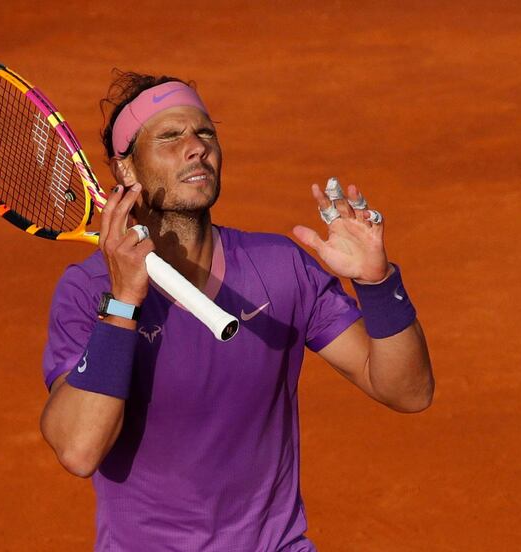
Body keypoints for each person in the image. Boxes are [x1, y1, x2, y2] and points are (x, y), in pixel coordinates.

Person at [39, 72, 434, 551]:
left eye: (205, 132)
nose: (195, 147)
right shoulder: (88, 290)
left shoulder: (280, 267)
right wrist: (123, 304)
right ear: (127, 170)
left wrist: (377, 283)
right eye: (169, 137)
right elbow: (79, 450)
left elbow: (407, 391)